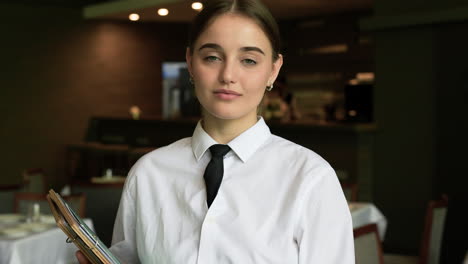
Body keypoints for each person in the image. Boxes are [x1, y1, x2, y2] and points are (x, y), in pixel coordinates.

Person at [77, 0, 354, 263]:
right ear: (190, 62)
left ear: (273, 70)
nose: (228, 75)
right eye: (212, 57)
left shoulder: (310, 179)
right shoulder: (148, 173)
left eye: (249, 60)